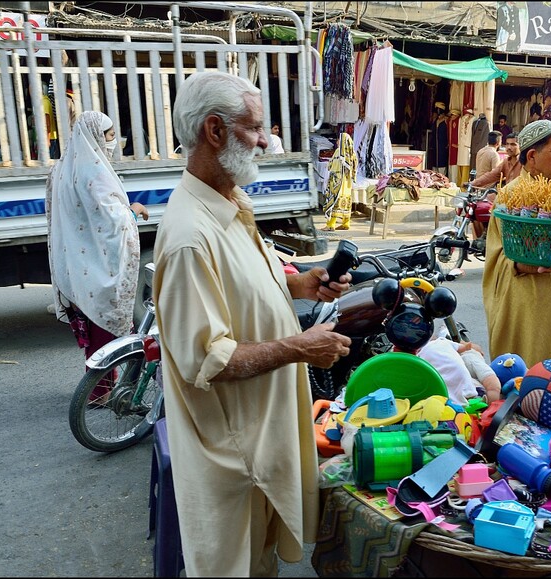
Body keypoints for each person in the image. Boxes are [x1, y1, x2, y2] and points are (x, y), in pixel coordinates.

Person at [151, 71, 353, 577]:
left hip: (258, 452)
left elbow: (245, 288)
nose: (266, 141)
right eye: (255, 128)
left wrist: (300, 285)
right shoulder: (190, 238)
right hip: (234, 462)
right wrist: (300, 348)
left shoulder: (230, 202)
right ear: (214, 132)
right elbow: (209, 359)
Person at [45, 111, 149, 394]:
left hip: (73, 262)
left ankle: (99, 389)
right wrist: (134, 210)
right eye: (111, 136)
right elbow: (113, 220)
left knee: (90, 329)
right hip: (97, 262)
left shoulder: (60, 169)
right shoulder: (95, 172)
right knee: (104, 328)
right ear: (96, 137)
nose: (114, 142)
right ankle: (99, 392)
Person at [482, 119, 551, 367]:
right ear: (531, 156)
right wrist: (536, 266)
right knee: (526, 378)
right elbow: (501, 258)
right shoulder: (511, 195)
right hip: (527, 300)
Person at [470, 134, 521, 239]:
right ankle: (485, 237)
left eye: (513, 144)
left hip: (518, 204)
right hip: (505, 199)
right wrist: (473, 183)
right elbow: (492, 175)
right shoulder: (506, 162)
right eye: (507, 144)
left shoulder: (524, 163)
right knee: (477, 210)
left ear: (520, 146)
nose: (509, 147)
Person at [322, 133, 356, 231]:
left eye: (339, 140)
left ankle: (330, 225)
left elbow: (331, 164)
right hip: (347, 184)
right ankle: (346, 224)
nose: (337, 142)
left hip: (338, 183)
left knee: (334, 202)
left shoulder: (339, 153)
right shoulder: (351, 153)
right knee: (345, 203)